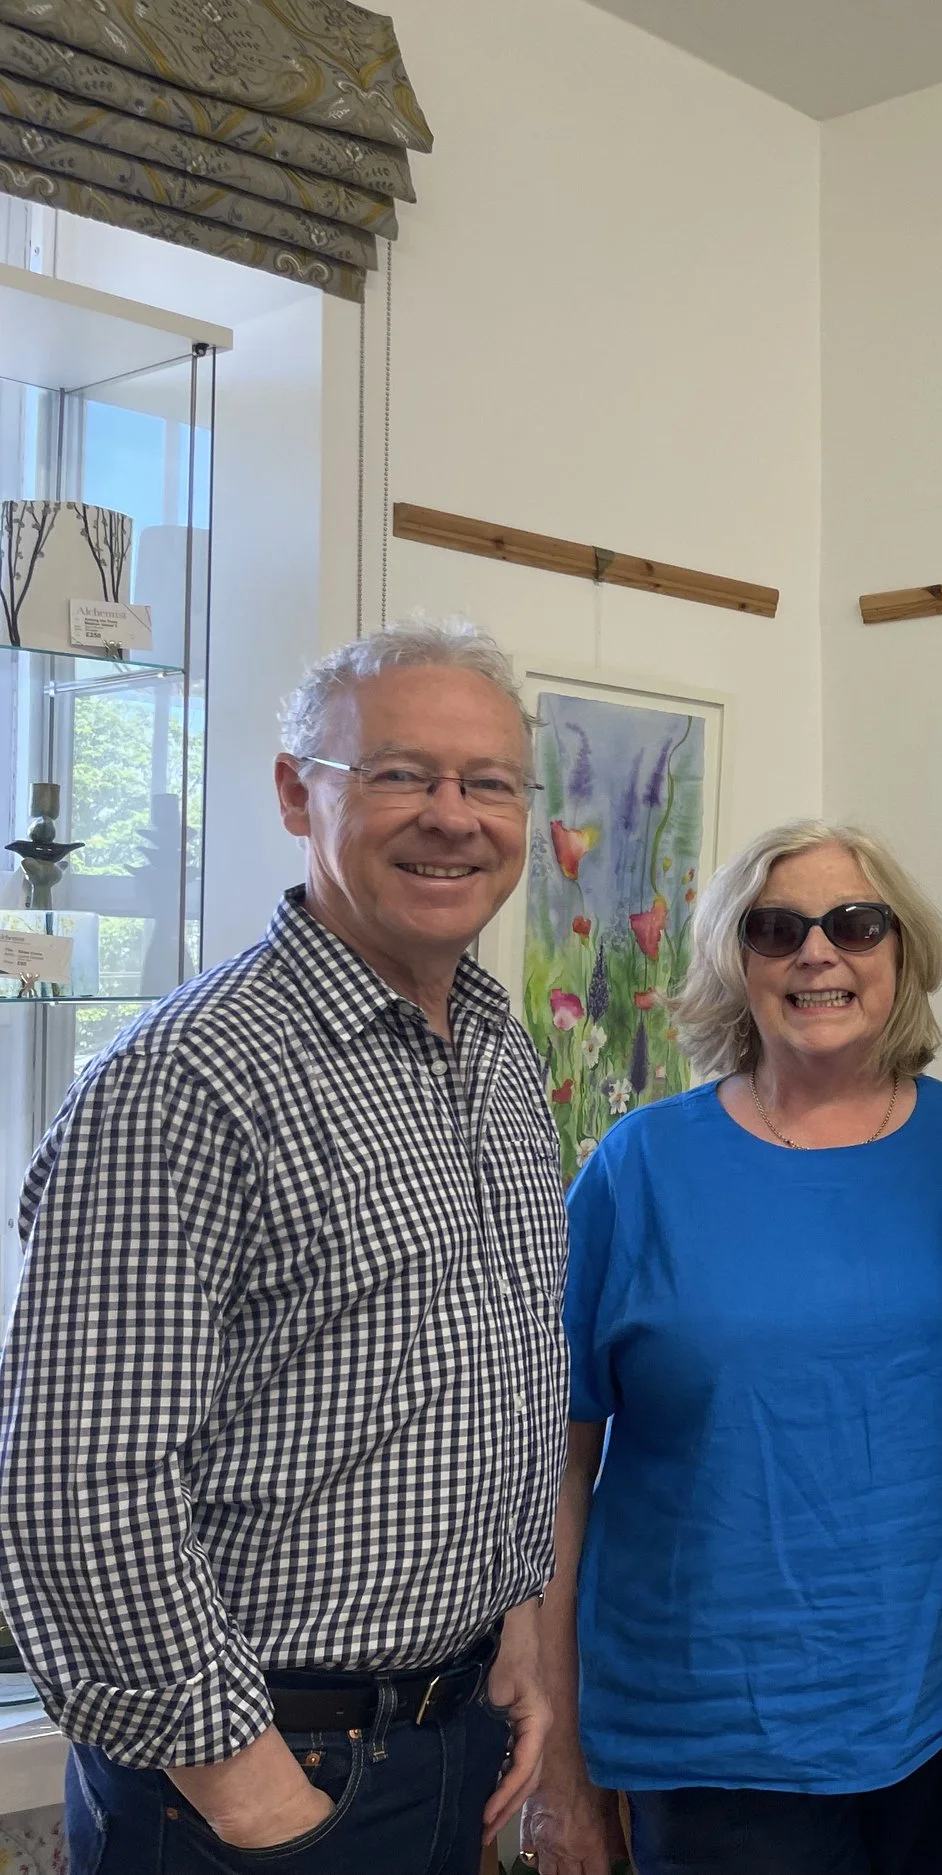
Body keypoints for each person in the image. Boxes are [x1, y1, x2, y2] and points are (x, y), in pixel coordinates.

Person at [0, 621, 569, 1875]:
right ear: (292, 791)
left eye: (487, 784)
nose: (451, 816)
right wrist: (252, 1793)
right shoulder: (188, 1081)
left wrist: (516, 1631)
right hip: (260, 1777)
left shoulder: (498, 1054)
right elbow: (80, 1488)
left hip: (450, 1731)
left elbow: (497, 1373)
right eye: (400, 774)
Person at [522, 821, 942, 1875]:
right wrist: (556, 1768)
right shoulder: (640, 1170)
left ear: (900, 954)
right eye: (777, 930)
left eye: (856, 924)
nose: (819, 953)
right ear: (736, 960)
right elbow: (550, 1474)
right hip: (710, 1747)